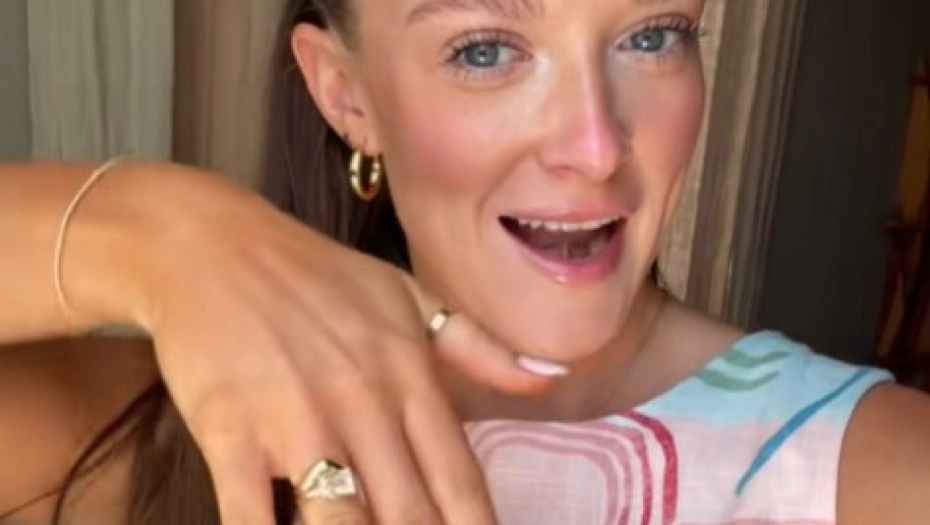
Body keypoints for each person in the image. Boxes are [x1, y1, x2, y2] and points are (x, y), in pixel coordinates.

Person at [1, 0, 929, 524]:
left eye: (652, 35)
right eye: (485, 51)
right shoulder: (185, 430)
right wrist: (155, 229)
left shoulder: (870, 470)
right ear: (345, 94)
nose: (596, 147)